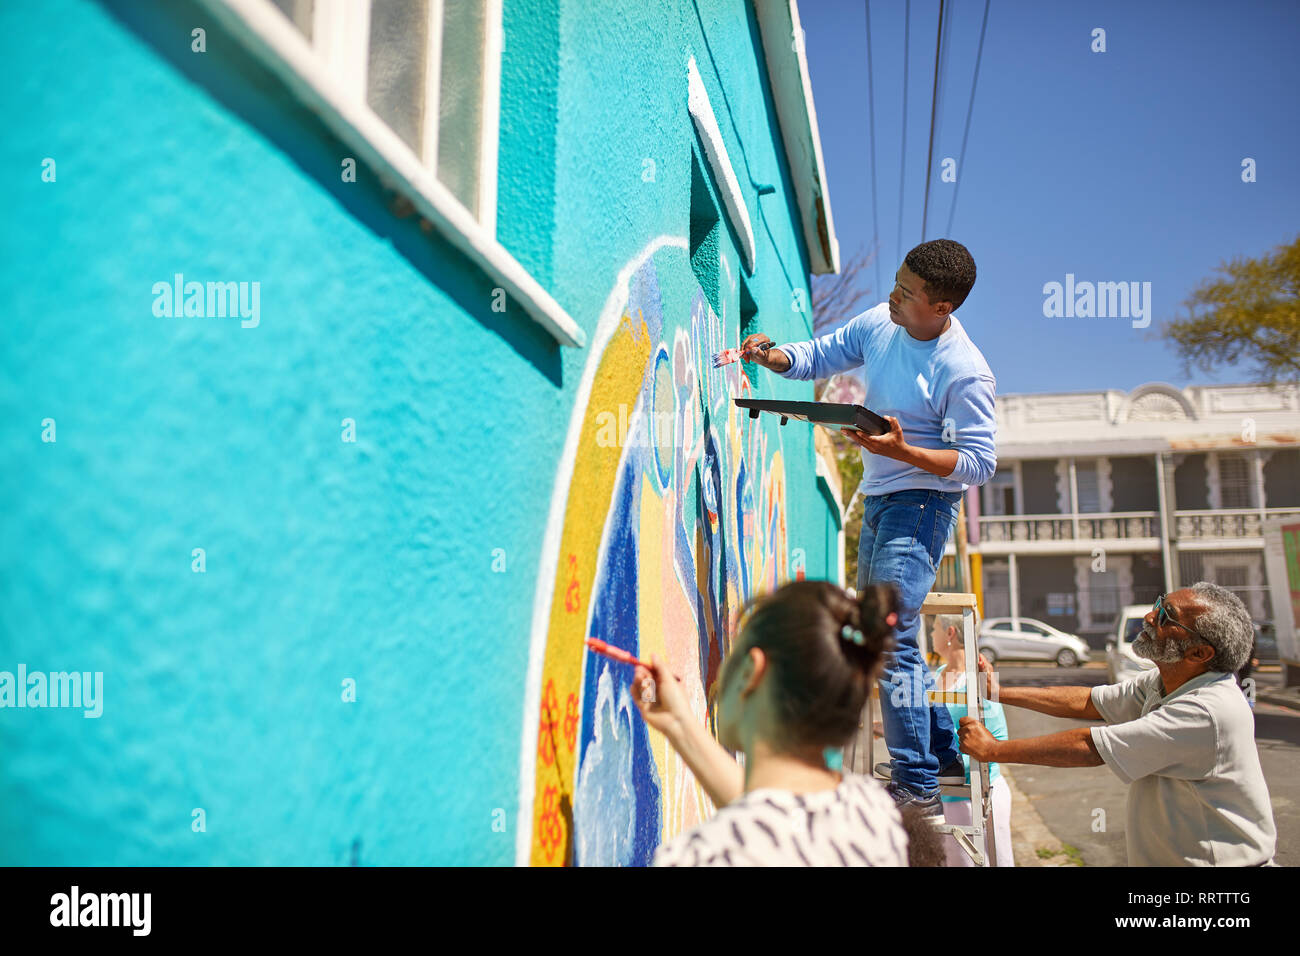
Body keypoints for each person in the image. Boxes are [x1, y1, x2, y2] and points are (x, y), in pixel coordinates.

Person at [741, 238, 997, 817]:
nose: (892, 296)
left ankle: (917, 784)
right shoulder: (880, 324)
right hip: (880, 499)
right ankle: (941, 753)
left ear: (942, 309)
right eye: (897, 282)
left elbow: (979, 463)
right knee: (886, 631)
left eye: (907, 294)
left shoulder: (964, 371)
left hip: (924, 505)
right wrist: (771, 356)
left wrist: (905, 452)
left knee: (885, 633)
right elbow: (819, 355)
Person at [958, 583, 1278, 867]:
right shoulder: (1168, 680)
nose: (1150, 618)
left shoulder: (1207, 710)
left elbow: (1092, 746)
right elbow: (1089, 701)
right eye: (1158, 605)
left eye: (1167, 617)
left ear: (1199, 652)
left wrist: (993, 750)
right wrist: (997, 692)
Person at [632, 579, 938, 866]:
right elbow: (773, 819)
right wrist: (679, 725)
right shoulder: (873, 813)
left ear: (751, 671)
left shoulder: (702, 855)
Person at [929, 613, 1014, 866]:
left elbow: (998, 739)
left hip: (982, 795)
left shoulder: (977, 678)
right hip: (951, 794)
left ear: (950, 633)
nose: (931, 635)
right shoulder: (940, 673)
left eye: (934, 628)